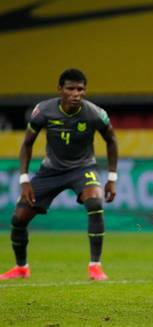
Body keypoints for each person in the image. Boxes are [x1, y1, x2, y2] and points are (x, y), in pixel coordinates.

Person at [0, 68, 118, 281]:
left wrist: (112, 178)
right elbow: (27, 144)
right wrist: (24, 179)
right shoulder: (43, 111)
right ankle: (21, 268)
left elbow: (111, 140)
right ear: (60, 89)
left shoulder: (94, 113)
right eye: (70, 88)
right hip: (51, 171)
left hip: (83, 168)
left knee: (95, 203)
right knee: (19, 218)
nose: (76, 93)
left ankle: (95, 266)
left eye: (80, 89)